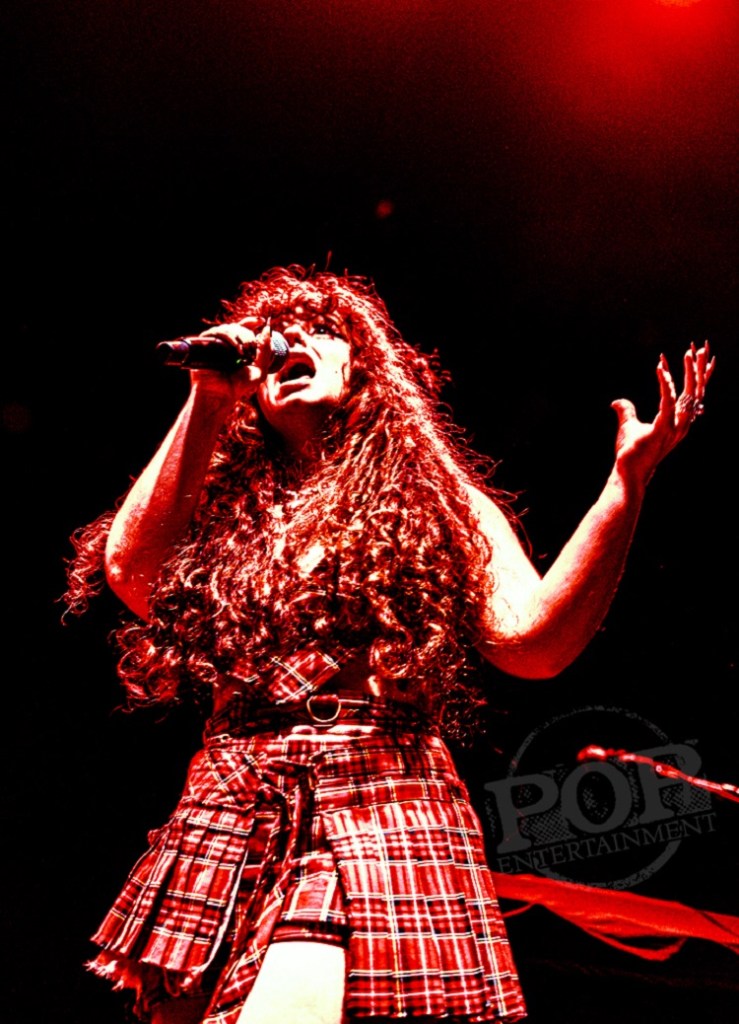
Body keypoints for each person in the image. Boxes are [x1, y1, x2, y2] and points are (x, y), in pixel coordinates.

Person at [64, 265, 713, 1024]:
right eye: (271, 338)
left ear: (361, 366)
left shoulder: (437, 500)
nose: (287, 343)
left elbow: (531, 645)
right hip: (237, 791)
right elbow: (136, 574)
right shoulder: (219, 503)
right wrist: (207, 397)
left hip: (381, 786)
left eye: (317, 330)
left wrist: (625, 485)